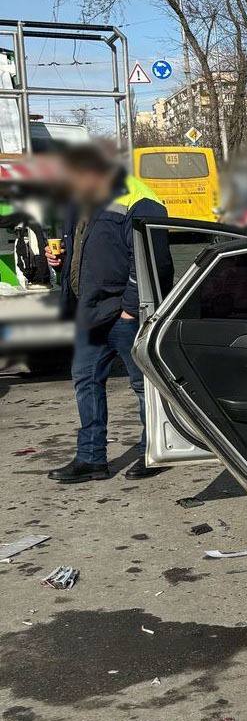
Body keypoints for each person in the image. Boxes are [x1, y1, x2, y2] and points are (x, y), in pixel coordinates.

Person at [44, 143, 172, 483]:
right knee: (85, 381)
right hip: (90, 311)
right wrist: (58, 263)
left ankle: (154, 451)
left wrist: (131, 308)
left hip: (123, 313)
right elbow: (79, 254)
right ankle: (91, 459)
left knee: (144, 385)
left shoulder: (138, 196)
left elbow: (152, 258)